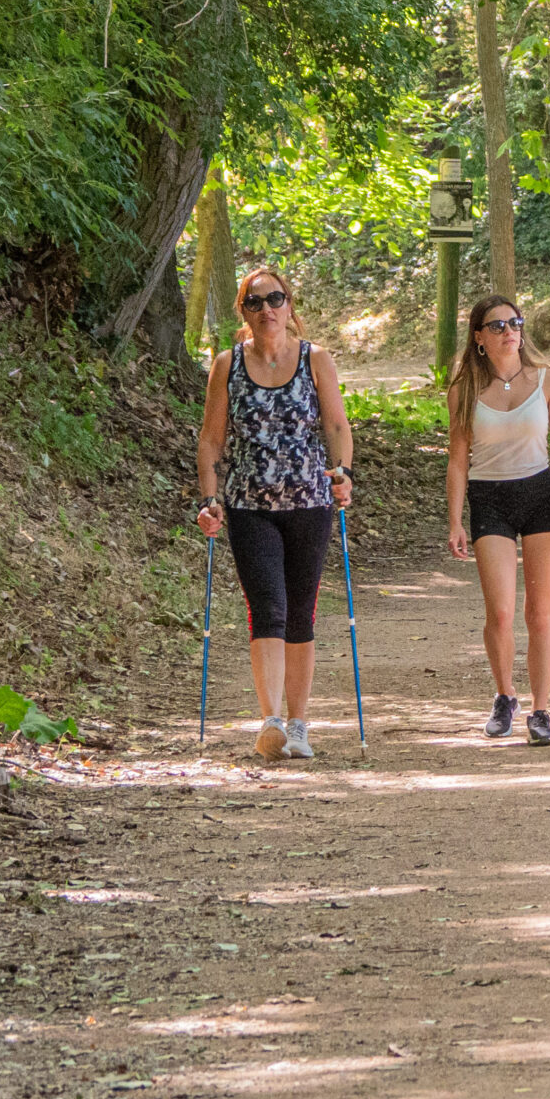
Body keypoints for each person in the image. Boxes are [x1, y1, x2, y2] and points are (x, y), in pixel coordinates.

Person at [193, 266, 355, 760]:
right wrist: (208, 498)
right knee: (268, 607)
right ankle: (271, 722)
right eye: (255, 302)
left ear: (289, 306)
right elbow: (211, 439)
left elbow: (336, 425)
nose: (267, 309)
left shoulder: (315, 359)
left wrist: (343, 471)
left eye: (276, 299)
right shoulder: (228, 364)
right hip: (248, 505)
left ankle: (300, 724)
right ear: (242, 311)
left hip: (309, 502)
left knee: (301, 611)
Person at [445, 296, 550, 746]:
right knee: (501, 611)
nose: (510, 331)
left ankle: (541, 711)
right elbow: (457, 460)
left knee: (539, 613)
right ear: (480, 338)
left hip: (540, 495)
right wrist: (455, 520)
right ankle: (505, 696)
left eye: (515, 322)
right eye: (498, 325)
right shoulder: (464, 388)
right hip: (490, 498)